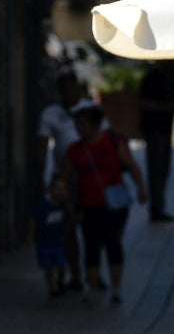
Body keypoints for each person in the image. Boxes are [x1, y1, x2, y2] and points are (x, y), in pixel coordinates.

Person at [59, 101, 148, 304]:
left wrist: (141, 188)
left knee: (112, 243)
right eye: (77, 124)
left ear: (95, 125)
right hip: (87, 203)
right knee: (91, 245)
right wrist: (63, 198)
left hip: (114, 204)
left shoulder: (113, 142)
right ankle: (93, 285)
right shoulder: (75, 150)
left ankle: (116, 288)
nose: (79, 129)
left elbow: (131, 165)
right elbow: (64, 175)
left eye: (83, 124)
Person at [36, 71, 86, 289]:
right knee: (65, 229)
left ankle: (92, 272)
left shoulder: (89, 110)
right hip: (63, 178)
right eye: (64, 89)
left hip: (87, 177)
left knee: (91, 228)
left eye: (72, 88)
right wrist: (41, 181)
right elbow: (41, 148)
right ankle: (72, 275)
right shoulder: (51, 114)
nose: (69, 93)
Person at [138, 62, 174, 222]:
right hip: (154, 130)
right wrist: (167, 108)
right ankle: (155, 207)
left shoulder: (173, 78)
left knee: (162, 169)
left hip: (164, 130)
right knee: (156, 169)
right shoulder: (153, 77)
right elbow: (143, 102)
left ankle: (158, 206)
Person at [30, 176, 71, 298]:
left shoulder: (64, 206)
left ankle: (60, 281)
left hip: (58, 242)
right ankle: (51, 287)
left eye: (63, 189)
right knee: (48, 267)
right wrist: (31, 236)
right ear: (51, 190)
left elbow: (70, 219)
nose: (60, 192)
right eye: (57, 189)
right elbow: (33, 221)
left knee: (61, 264)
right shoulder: (42, 205)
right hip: (44, 242)